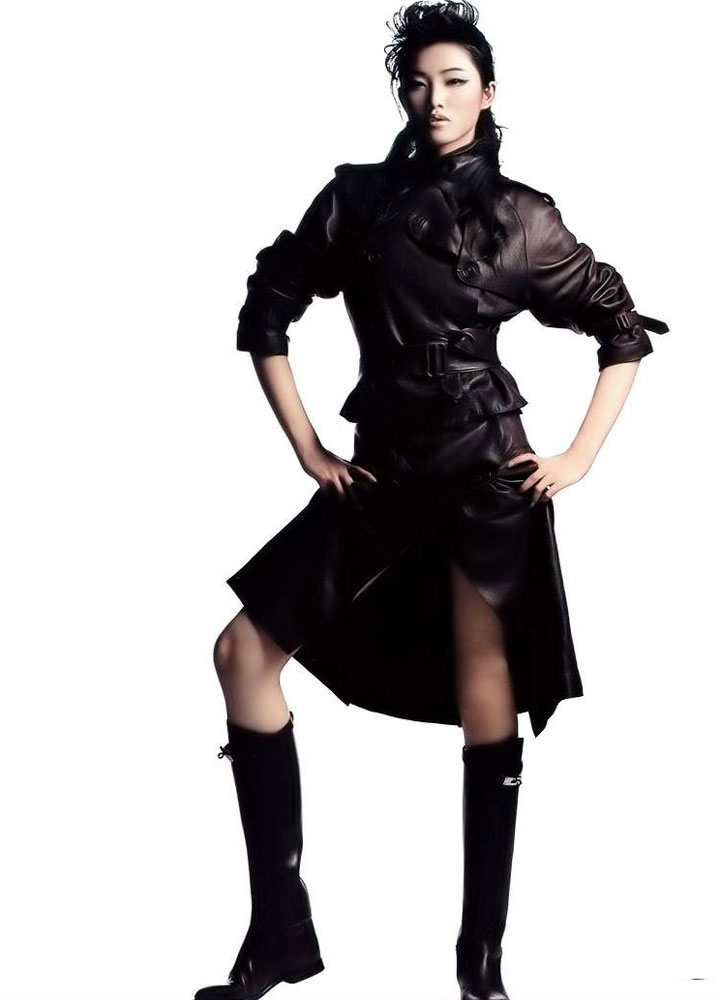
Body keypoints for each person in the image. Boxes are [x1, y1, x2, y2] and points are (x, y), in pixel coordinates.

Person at [194, 3, 668, 999]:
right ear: (402, 94)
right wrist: (308, 447)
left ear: (488, 94)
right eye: (418, 82)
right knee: (242, 652)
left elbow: (621, 329)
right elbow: (268, 311)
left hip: (487, 472)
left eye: (456, 81)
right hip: (385, 470)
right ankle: (280, 930)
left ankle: (479, 964)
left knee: (485, 694)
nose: (436, 98)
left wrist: (579, 455)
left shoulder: (525, 217)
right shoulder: (356, 200)